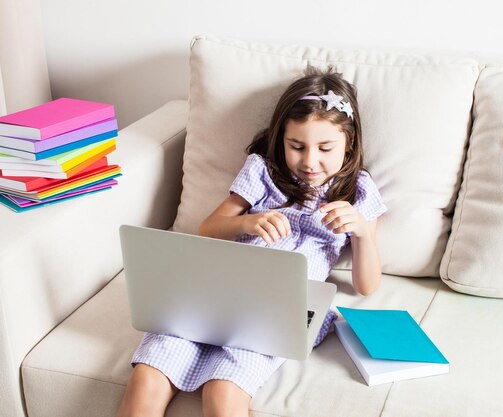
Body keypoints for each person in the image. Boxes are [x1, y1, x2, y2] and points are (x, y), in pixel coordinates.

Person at [115, 66, 387, 417]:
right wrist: (249, 221)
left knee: (224, 388)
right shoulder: (264, 171)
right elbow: (208, 228)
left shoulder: (359, 192)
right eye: (297, 146)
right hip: (220, 291)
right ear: (281, 139)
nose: (309, 161)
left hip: (281, 310)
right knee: (150, 373)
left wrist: (363, 232)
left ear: (349, 145)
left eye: (325, 148)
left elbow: (367, 285)